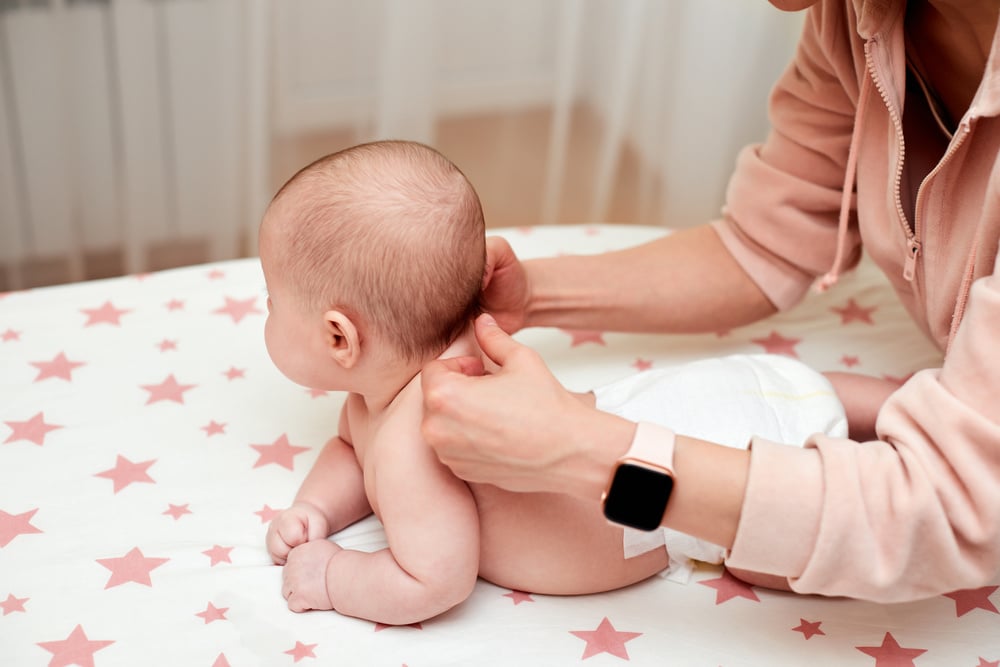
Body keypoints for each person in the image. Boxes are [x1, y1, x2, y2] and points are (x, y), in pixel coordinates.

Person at [420, 0, 1000, 604]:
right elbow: (763, 244)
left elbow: (946, 508)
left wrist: (589, 452)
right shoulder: (854, 17)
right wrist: (532, 295)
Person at [259, 140, 847, 625]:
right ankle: (867, 403)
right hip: (680, 410)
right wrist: (317, 508)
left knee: (804, 554)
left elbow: (433, 580)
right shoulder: (384, 396)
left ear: (341, 338)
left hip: (691, 508)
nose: (265, 314)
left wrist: (335, 576)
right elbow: (350, 451)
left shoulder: (417, 438)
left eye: (271, 302)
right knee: (816, 394)